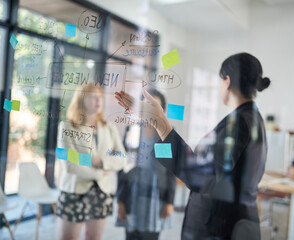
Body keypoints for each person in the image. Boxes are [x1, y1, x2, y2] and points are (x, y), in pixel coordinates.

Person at [115, 52, 270, 240]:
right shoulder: (251, 119)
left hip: (222, 227)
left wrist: (160, 123)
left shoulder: (239, 123)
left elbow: (201, 176)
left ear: (226, 81)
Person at [56, 83, 126, 240]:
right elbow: (70, 164)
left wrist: (101, 162)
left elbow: (122, 158)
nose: (98, 100)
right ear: (81, 100)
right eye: (93, 96)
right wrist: (101, 173)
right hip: (74, 191)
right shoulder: (67, 127)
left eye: (100, 97)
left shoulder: (109, 128)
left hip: (102, 193)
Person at [116, 89, 176, 240]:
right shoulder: (133, 130)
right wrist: (120, 199)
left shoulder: (167, 134)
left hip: (156, 193)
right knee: (130, 234)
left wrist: (170, 201)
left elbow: (172, 171)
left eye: (154, 106)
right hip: (132, 191)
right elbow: (123, 165)